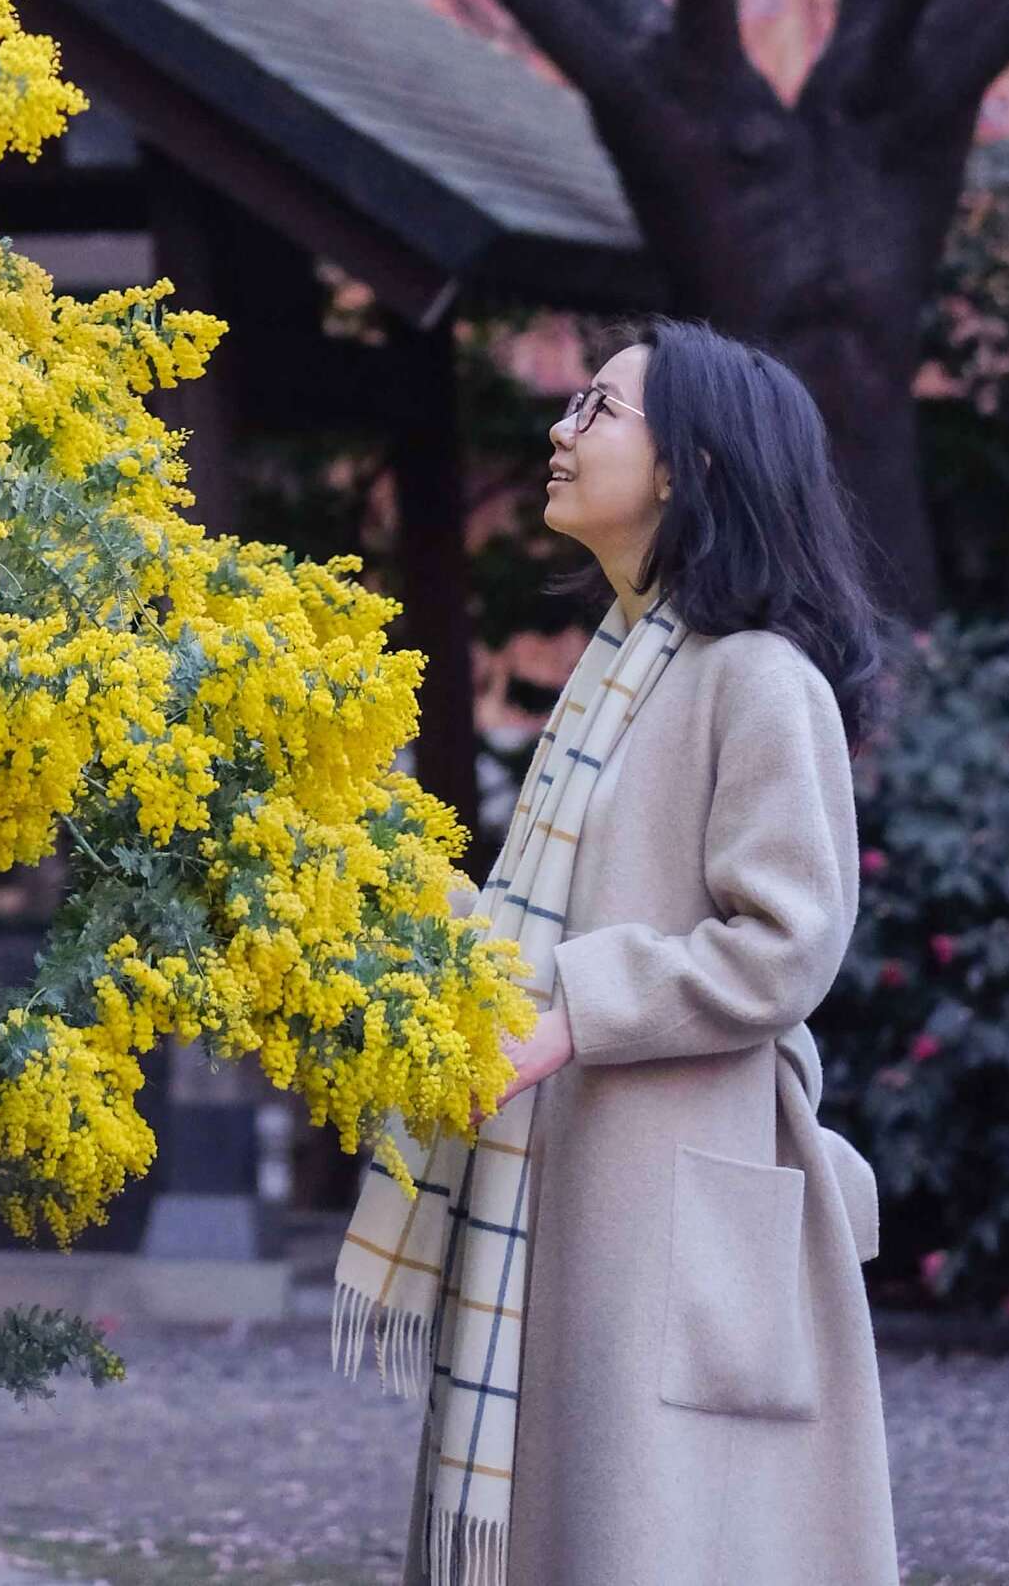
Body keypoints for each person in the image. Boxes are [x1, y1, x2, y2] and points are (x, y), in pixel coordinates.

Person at [332, 320, 899, 1586]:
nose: (560, 431)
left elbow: (788, 941)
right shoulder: (617, 671)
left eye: (596, 410)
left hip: (670, 1192)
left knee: (654, 1540)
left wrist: (567, 1017)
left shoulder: (755, 679)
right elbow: (541, 919)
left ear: (687, 464)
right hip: (570, 1177)